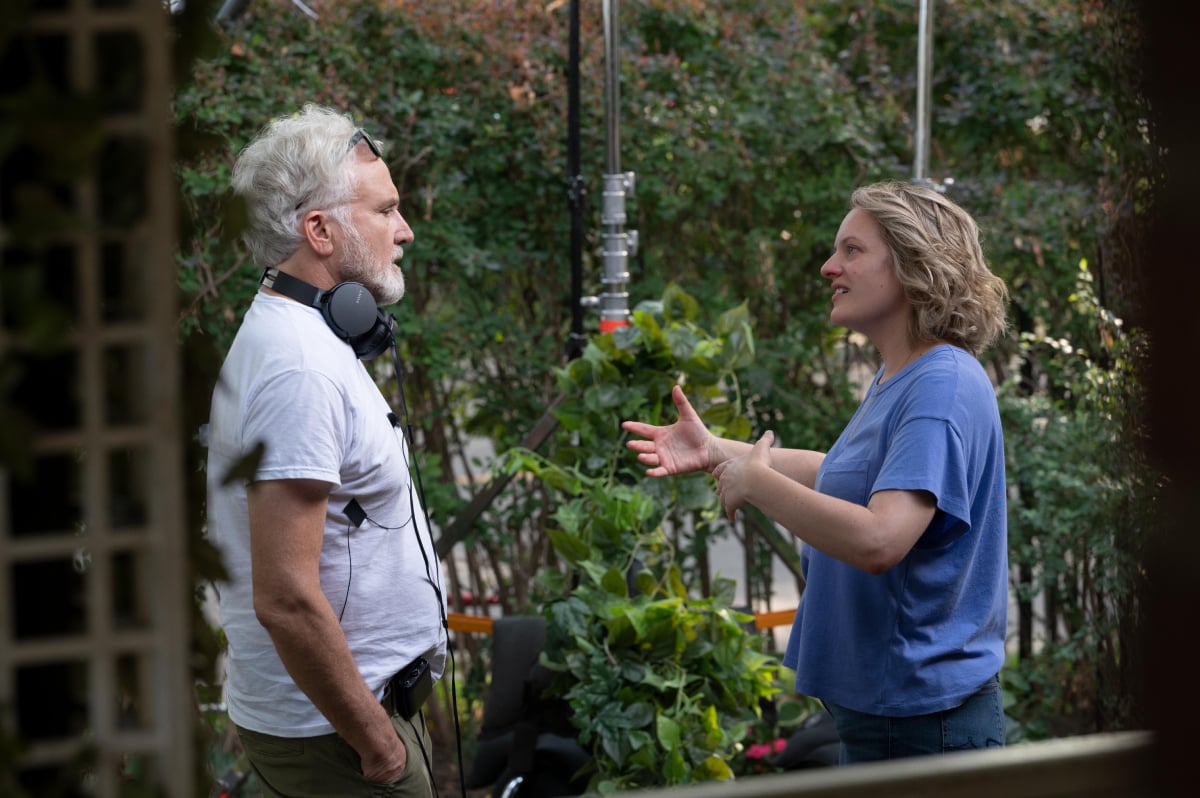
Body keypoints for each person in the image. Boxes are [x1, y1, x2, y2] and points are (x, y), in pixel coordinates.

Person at [622, 181, 1010, 764]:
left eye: (852, 250)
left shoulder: (939, 382)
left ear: (912, 265)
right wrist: (719, 450)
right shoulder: (902, 375)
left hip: (923, 724)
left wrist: (757, 484)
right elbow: (843, 475)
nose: (830, 267)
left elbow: (881, 538)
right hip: (892, 716)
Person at [205, 104, 447, 796]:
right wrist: (376, 742)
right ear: (319, 230)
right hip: (342, 736)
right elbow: (284, 595)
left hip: (334, 724)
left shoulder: (295, 339)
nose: (403, 232)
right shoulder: (300, 369)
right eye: (385, 211)